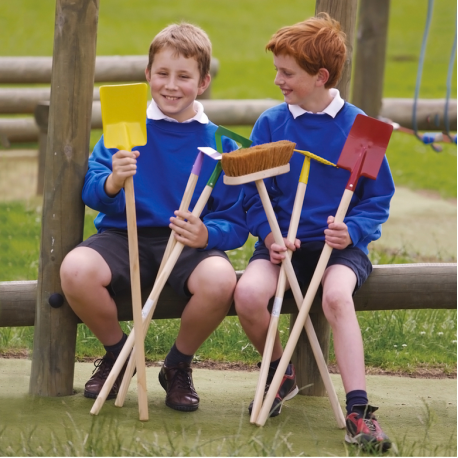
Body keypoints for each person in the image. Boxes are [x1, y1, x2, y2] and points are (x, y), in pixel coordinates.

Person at [60, 22, 248, 413]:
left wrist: (206, 233)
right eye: (162, 74)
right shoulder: (124, 127)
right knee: (75, 269)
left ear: (203, 82)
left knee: (220, 279)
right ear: (148, 75)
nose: (171, 85)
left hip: (185, 246)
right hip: (121, 235)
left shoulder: (219, 142)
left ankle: (177, 364)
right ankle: (120, 354)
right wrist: (112, 181)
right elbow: (92, 189)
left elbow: (235, 220)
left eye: (184, 76)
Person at [234, 13, 394, 451]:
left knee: (337, 296)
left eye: (287, 73)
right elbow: (253, 195)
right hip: (281, 247)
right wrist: (268, 236)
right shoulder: (270, 125)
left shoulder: (361, 128)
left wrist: (353, 229)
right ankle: (280, 374)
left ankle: (359, 412)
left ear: (320, 76)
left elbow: (377, 200)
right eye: (277, 70)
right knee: (247, 295)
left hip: (340, 250)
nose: (277, 80)